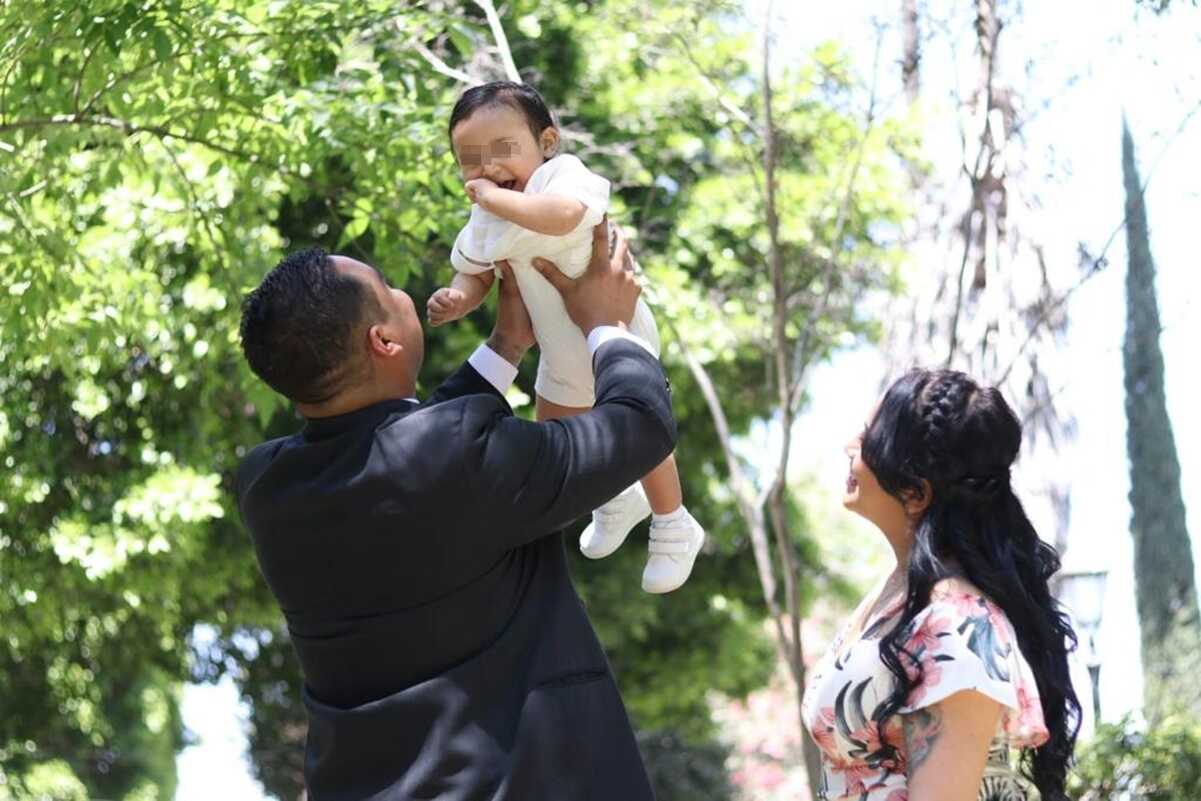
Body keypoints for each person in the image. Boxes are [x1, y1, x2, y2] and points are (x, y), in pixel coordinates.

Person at [235, 221, 666, 800]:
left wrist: (506, 346)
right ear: (384, 341)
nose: (404, 295)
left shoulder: (267, 487)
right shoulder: (451, 454)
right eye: (389, 291)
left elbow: (408, 456)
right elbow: (639, 426)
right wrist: (608, 327)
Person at [426, 80, 704, 594]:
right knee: (556, 428)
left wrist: (493, 200)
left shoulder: (561, 178)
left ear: (547, 143)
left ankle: (673, 522)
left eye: (503, 150)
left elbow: (564, 218)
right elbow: (478, 269)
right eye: (469, 159)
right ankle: (616, 496)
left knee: (641, 425)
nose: (487, 169)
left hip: (616, 328)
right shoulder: (484, 214)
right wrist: (459, 297)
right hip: (559, 348)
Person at [801, 369, 1081, 801]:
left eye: (868, 440)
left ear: (916, 492)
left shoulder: (957, 628)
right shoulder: (899, 594)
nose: (849, 448)